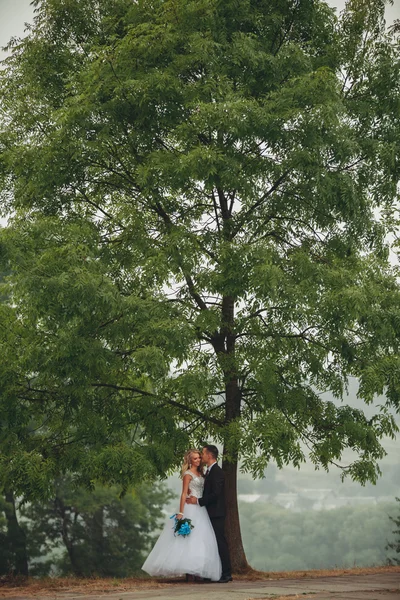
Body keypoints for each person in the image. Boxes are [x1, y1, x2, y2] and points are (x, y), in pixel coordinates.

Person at [141, 449, 222, 581]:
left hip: (201, 508)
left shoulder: (202, 473)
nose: (198, 460)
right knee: (187, 538)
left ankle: (198, 570)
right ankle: (189, 572)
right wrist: (181, 511)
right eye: (195, 458)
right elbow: (184, 493)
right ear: (190, 461)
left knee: (201, 539)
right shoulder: (187, 474)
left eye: (199, 458)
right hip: (191, 507)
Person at [186, 445, 232, 583]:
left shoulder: (217, 472)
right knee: (210, 543)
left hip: (216, 513)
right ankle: (211, 572)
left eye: (203, 454)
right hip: (208, 512)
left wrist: (198, 500)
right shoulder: (209, 471)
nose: (202, 456)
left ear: (209, 455)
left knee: (219, 542)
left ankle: (227, 573)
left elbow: (216, 494)